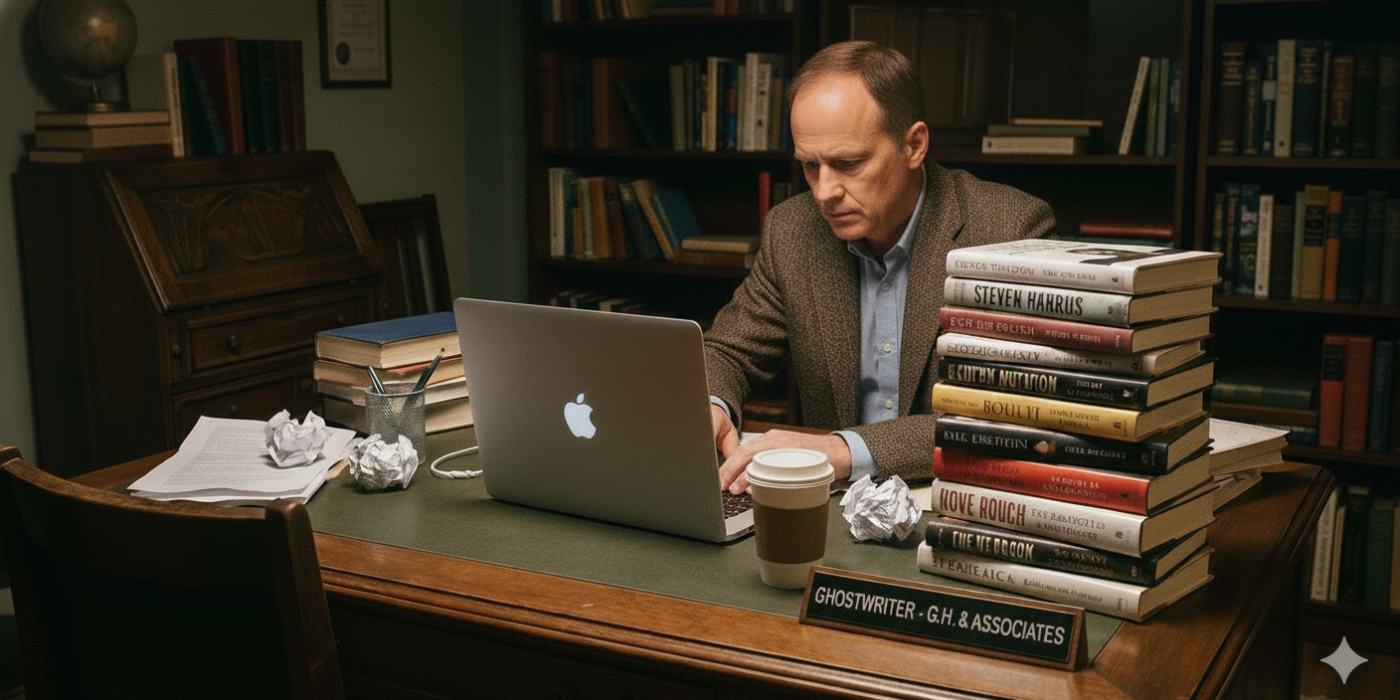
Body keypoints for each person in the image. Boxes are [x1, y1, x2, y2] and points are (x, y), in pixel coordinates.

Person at [705, 40, 1055, 494]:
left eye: (848, 163)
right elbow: (729, 351)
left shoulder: (1009, 231)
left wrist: (844, 451)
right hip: (832, 514)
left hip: (955, 506)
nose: (824, 191)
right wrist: (711, 406)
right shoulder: (793, 231)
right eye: (810, 166)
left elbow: (1005, 412)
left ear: (914, 145)